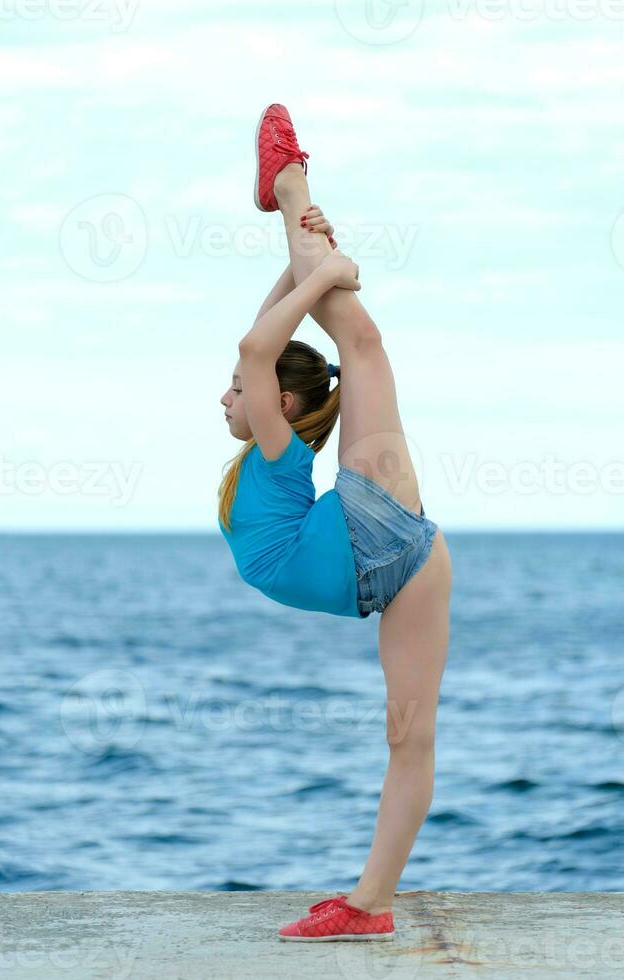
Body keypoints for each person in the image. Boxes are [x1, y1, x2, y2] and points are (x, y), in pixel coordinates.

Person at [218, 104, 453, 942]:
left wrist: (317, 268)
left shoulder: (279, 454)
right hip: (401, 569)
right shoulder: (268, 452)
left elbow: (256, 350)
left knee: (362, 342)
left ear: (279, 406)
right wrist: (306, 268)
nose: (224, 397)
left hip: (369, 527)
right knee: (408, 739)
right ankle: (372, 907)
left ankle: (289, 184)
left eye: (237, 394)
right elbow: (258, 344)